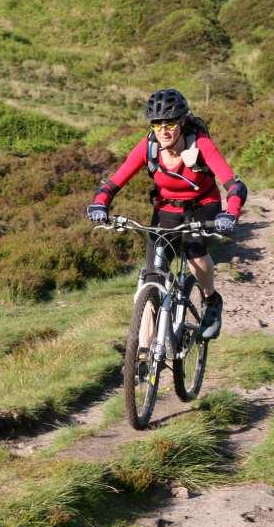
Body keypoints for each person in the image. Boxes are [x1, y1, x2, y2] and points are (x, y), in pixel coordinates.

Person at [86, 88, 247, 339]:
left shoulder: (201, 144)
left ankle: (211, 301)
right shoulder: (148, 146)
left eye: (170, 122)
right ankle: (142, 356)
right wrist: (100, 203)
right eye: (157, 124)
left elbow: (234, 185)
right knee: (153, 278)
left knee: (195, 253)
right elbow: (114, 181)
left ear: (182, 122)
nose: (163, 130)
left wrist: (231, 213)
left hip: (202, 206)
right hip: (166, 210)